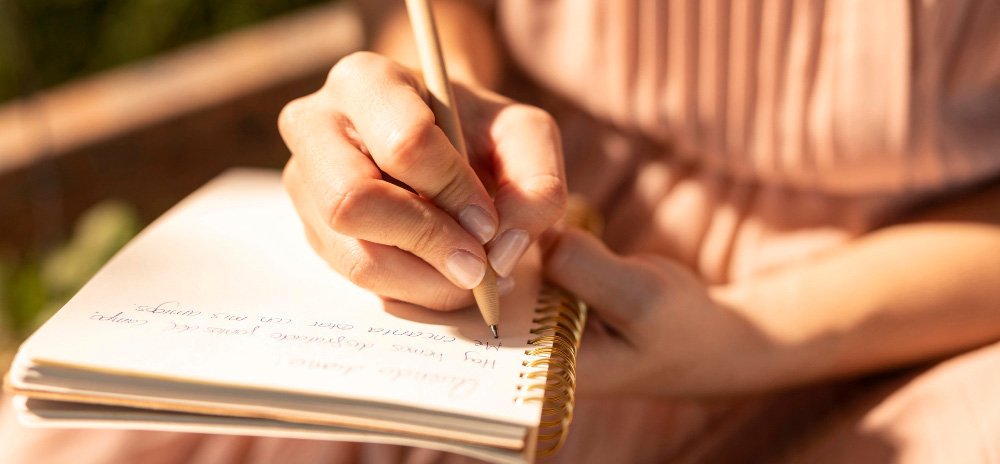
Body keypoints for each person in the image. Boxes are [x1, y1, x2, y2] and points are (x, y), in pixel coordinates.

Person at [3, 0, 1000, 462]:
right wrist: (425, 110)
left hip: (915, 297)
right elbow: (444, 14)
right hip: (532, 196)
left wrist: (750, 335)